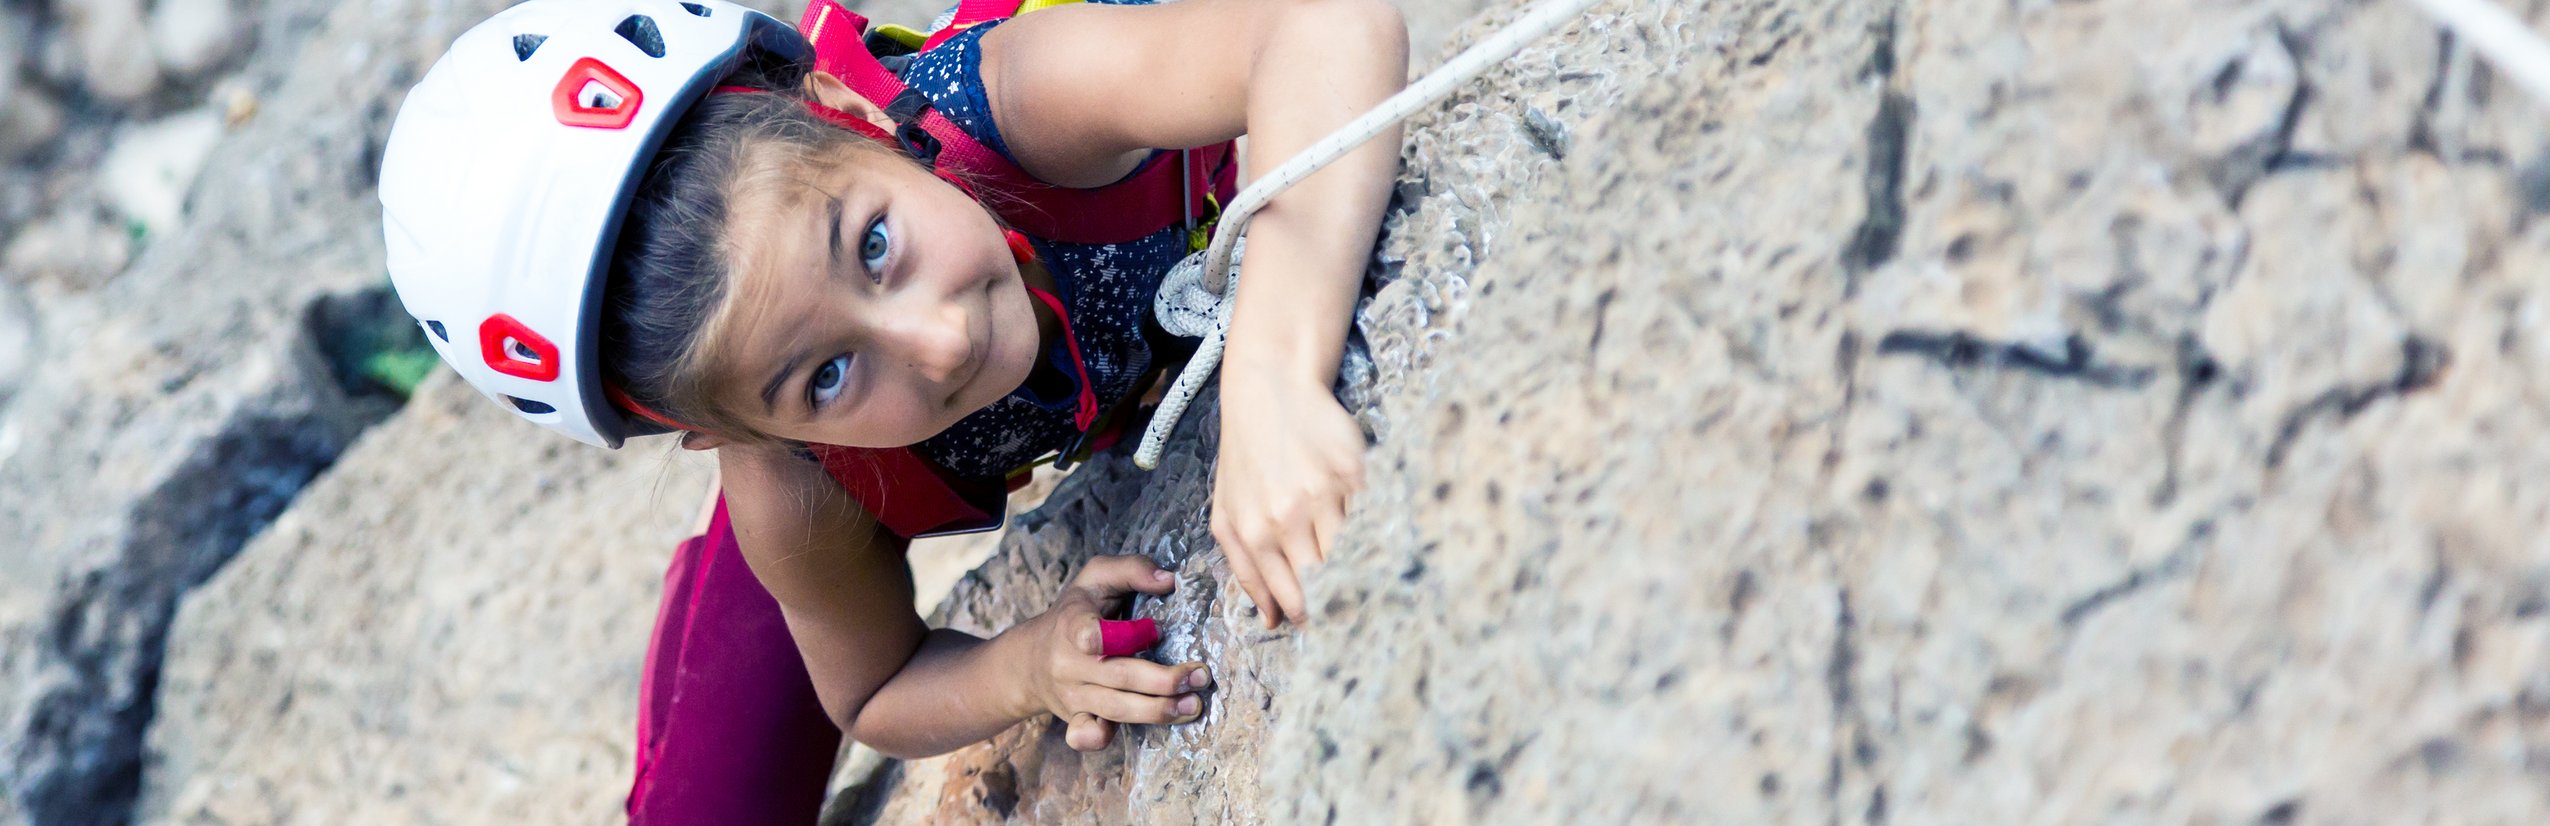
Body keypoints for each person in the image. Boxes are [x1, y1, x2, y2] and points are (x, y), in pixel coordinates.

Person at [377, 0, 1407, 820]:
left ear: (857, 112)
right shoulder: (790, 481)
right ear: (731, 436)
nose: (940, 340)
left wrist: (1272, 369)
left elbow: (1321, 28)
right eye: (824, 372)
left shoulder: (1024, 99)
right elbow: (872, 688)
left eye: (874, 245)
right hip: (843, 477)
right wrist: (1024, 665)